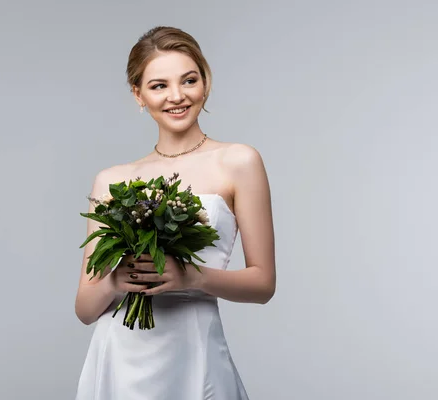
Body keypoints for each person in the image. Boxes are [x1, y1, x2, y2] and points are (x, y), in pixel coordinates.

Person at [74, 26, 276, 400]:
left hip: (192, 352)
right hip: (119, 356)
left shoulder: (238, 161)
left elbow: (263, 284)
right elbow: (85, 309)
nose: (177, 96)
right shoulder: (112, 180)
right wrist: (116, 282)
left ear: (205, 81)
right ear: (138, 95)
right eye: (159, 85)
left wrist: (191, 276)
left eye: (189, 80)